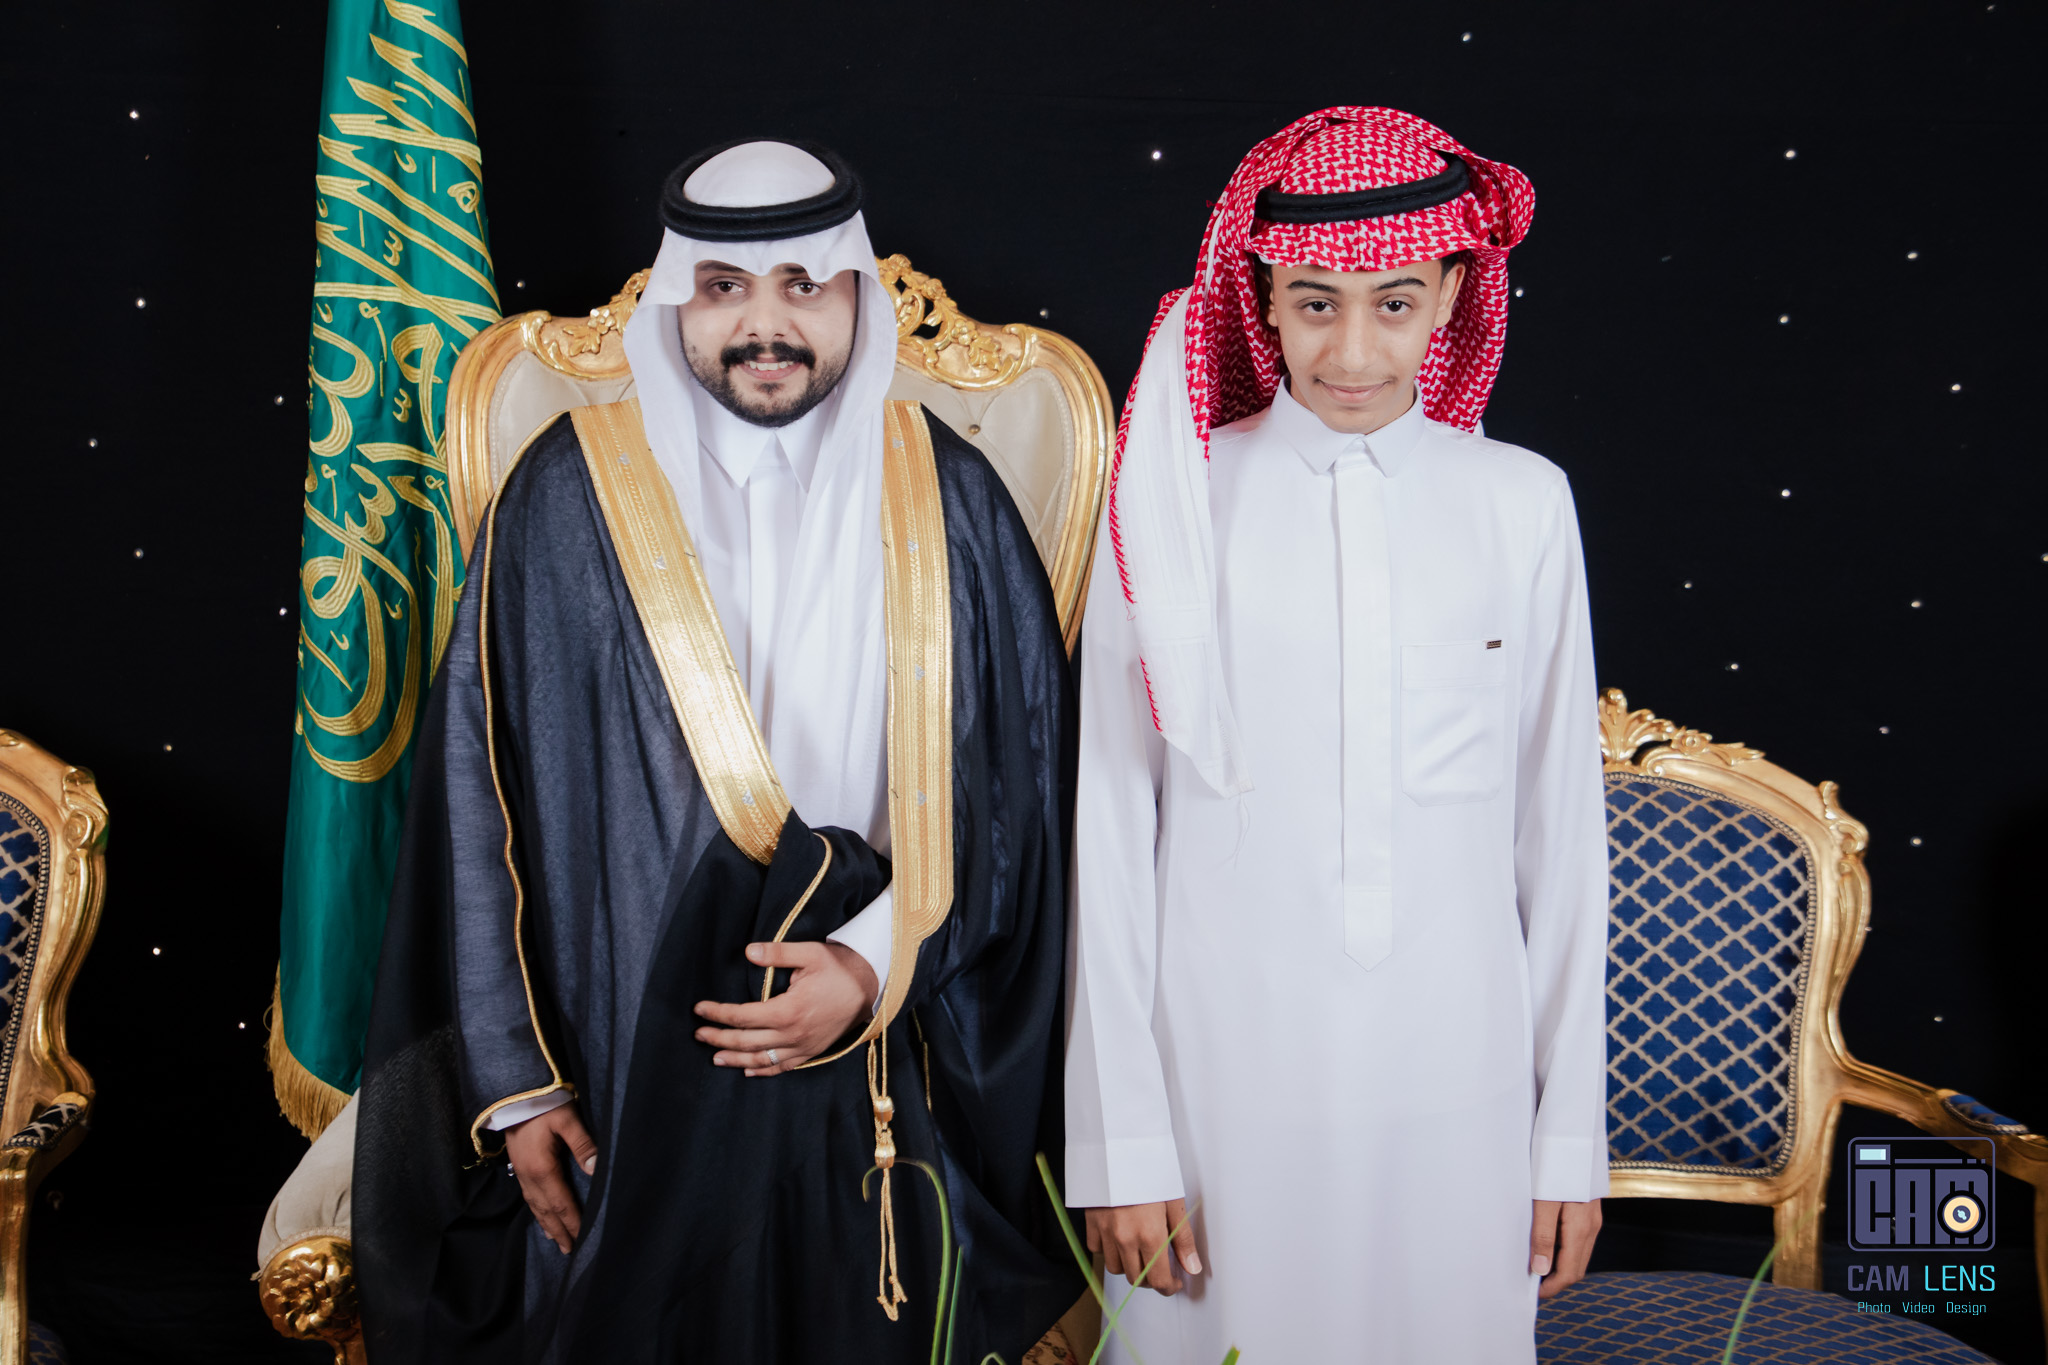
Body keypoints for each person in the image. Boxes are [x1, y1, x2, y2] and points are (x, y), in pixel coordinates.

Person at [353, 138, 1082, 1364]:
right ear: (675, 300)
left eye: (804, 286)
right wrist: (522, 1083)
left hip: (893, 1036)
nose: (765, 325)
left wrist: (866, 964)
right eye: (726, 288)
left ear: (855, 293)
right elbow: (479, 805)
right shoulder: (563, 494)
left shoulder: (953, 498)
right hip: (618, 1050)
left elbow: (1019, 802)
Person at [1063, 107, 1609, 1362]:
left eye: (1394, 303)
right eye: (1314, 303)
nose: (1352, 350)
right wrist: (1120, 1143)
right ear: (1259, 297)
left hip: (1459, 1093)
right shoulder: (1168, 498)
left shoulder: (1521, 505)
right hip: (1216, 1086)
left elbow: (1559, 846)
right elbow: (1111, 828)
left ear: (1452, 296)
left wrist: (1566, 1143)